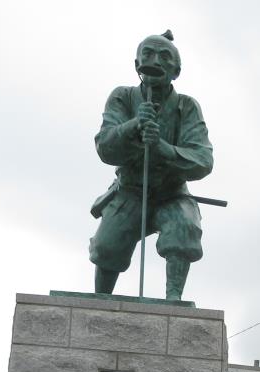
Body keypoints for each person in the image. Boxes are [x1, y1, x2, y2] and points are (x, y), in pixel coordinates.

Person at [89, 30, 214, 300]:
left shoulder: (187, 107)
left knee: (184, 228)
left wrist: (163, 148)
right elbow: (105, 147)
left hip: (172, 193)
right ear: (137, 65)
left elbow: (203, 160)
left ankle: (173, 303)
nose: (155, 61)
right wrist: (133, 126)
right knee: (107, 247)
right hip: (130, 190)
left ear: (176, 71)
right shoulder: (122, 97)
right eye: (148, 55)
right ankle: (99, 303)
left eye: (164, 56)